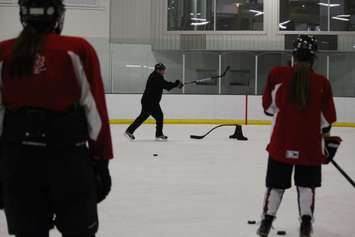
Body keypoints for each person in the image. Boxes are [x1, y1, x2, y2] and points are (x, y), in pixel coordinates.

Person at [0, 0, 113, 237]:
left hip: (19, 163)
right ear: (58, 17)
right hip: (68, 162)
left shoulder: (5, 52)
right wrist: (101, 161)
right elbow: (95, 112)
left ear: (23, 15)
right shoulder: (76, 49)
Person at [257, 35, 336, 237]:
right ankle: (306, 225)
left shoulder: (277, 74)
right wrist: (327, 143)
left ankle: (266, 222)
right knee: (306, 186)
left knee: (276, 185)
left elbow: (268, 108)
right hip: (310, 146)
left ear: (293, 54)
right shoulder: (322, 83)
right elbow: (327, 120)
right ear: (314, 57)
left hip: (281, 142)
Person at [125, 63, 183, 141]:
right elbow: (166, 86)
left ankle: (130, 131)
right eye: (163, 70)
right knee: (158, 116)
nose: (164, 71)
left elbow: (165, 84)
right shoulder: (156, 77)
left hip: (149, 101)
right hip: (150, 102)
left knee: (147, 116)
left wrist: (175, 84)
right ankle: (158, 134)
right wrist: (176, 84)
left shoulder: (156, 75)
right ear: (158, 70)